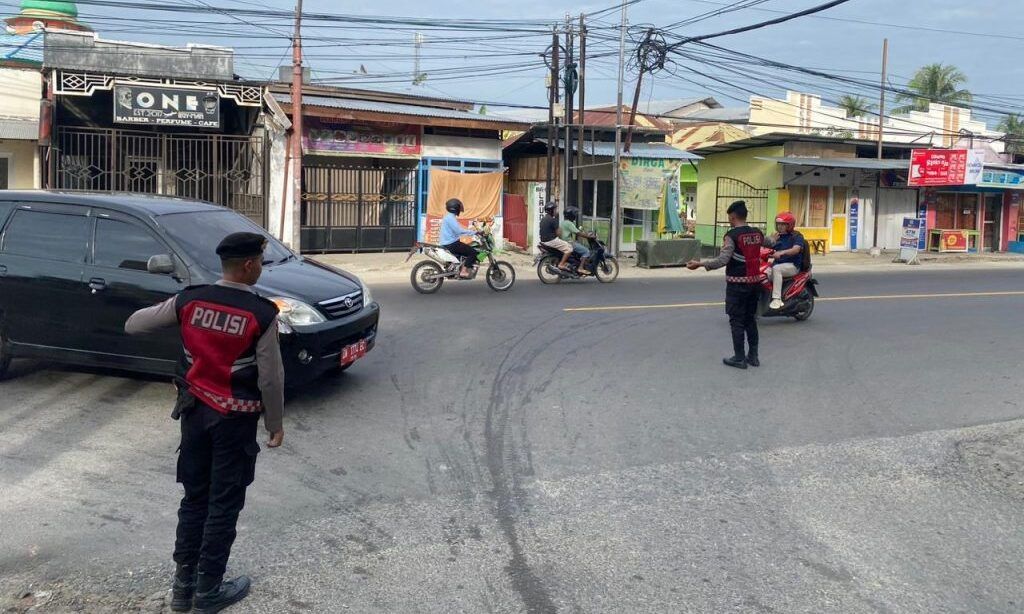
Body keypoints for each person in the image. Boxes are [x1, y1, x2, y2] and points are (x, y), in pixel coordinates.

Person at [125, 232, 285, 614]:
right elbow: (271, 378)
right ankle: (209, 591)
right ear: (249, 265)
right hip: (235, 423)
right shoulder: (262, 313)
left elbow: (134, 325)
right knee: (223, 503)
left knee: (194, 498)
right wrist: (275, 422)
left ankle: (183, 590)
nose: (261, 267)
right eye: (260, 262)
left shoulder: (190, 300)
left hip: (195, 415)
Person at [686, 200, 765, 369]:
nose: (729, 220)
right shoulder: (757, 233)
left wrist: (699, 264)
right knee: (750, 320)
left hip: (737, 286)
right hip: (755, 284)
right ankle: (753, 356)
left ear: (733, 217)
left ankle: (739, 358)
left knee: (736, 321)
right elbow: (770, 243)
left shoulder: (732, 236)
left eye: (729, 217)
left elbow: (723, 260)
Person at [765, 211, 806, 310]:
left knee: (777, 269)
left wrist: (782, 253)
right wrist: (771, 240)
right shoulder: (776, 236)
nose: (780, 227)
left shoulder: (797, 236)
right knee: (762, 272)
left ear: (790, 225)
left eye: (783, 224)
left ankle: (777, 299)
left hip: (792, 266)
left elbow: (796, 249)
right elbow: (765, 249)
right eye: (778, 224)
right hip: (777, 264)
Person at [439, 198, 479, 279]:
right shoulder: (450, 218)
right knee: (473, 252)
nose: (460, 210)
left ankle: (459, 267)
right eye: (459, 207)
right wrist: (474, 232)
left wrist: (471, 231)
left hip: (449, 243)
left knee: (466, 249)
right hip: (451, 244)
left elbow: (457, 229)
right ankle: (463, 271)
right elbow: (458, 231)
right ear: (455, 208)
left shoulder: (449, 217)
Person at [560, 207, 594, 275]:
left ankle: (578, 263)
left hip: (565, 242)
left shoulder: (564, 222)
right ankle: (580, 268)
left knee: (578, 244)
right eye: (574, 214)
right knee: (586, 251)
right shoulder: (569, 223)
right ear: (571, 215)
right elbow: (578, 233)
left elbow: (577, 230)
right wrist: (589, 236)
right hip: (569, 242)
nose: (575, 216)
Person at [539, 202, 572, 271]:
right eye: (555, 209)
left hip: (544, 241)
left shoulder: (544, 219)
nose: (556, 211)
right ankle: (561, 264)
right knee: (569, 249)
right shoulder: (553, 220)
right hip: (551, 241)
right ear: (551, 210)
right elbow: (559, 234)